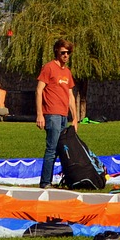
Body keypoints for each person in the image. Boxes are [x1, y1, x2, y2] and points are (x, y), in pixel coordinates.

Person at [35, 39, 78, 188]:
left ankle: (63, 179)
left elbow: (70, 95)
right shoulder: (49, 68)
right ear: (57, 52)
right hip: (51, 114)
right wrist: (40, 114)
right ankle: (45, 182)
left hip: (63, 115)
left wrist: (75, 118)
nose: (66, 55)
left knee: (61, 149)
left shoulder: (67, 72)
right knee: (51, 149)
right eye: (63, 52)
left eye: (68, 53)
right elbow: (39, 90)